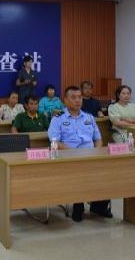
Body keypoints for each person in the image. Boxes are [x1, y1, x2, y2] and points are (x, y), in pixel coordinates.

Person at [48, 86, 112, 221]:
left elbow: (98, 139)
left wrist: (97, 152)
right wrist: (74, 153)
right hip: (69, 158)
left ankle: (98, 206)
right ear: (65, 100)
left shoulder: (89, 117)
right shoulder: (58, 119)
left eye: (79, 97)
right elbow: (55, 142)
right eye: (73, 97)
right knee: (80, 170)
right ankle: (79, 204)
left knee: (107, 170)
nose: (77, 100)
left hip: (90, 156)